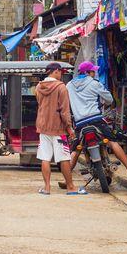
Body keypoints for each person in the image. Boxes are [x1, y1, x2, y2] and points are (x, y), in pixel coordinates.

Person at [66, 61, 127, 181]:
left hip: (80, 122)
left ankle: (67, 180)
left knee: (76, 148)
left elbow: (67, 103)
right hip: (95, 119)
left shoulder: (69, 85)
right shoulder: (94, 83)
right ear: (87, 72)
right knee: (112, 141)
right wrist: (104, 103)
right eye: (93, 71)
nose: (94, 74)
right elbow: (109, 99)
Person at [35, 62, 84, 195]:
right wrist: (69, 128)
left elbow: (40, 104)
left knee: (45, 157)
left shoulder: (39, 87)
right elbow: (64, 110)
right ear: (55, 71)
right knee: (64, 157)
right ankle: (70, 187)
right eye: (60, 72)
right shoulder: (61, 87)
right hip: (58, 128)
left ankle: (46, 188)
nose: (61, 74)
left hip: (43, 127)